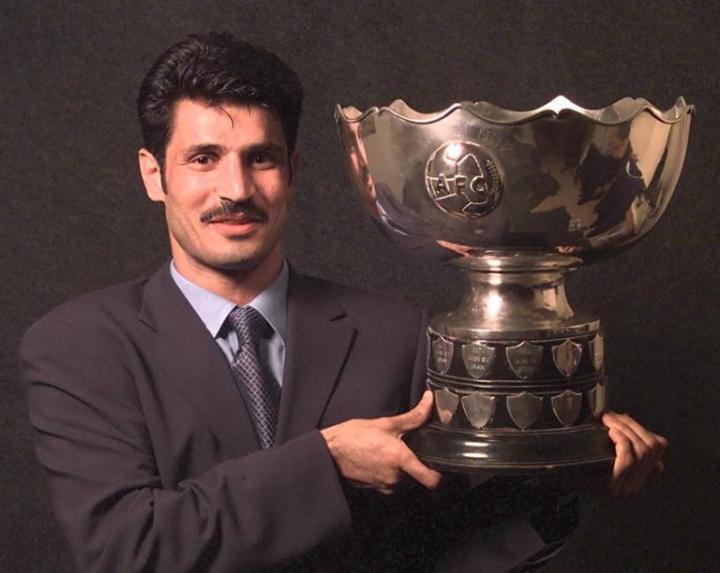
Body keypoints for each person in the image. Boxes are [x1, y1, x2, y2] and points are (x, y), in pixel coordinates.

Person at [19, 32, 667, 572]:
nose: (235, 188)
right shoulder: (78, 346)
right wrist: (326, 463)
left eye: (260, 158)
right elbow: (126, 548)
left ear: (293, 171)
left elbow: (439, 545)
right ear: (153, 174)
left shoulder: (399, 335)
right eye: (204, 158)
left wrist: (557, 480)